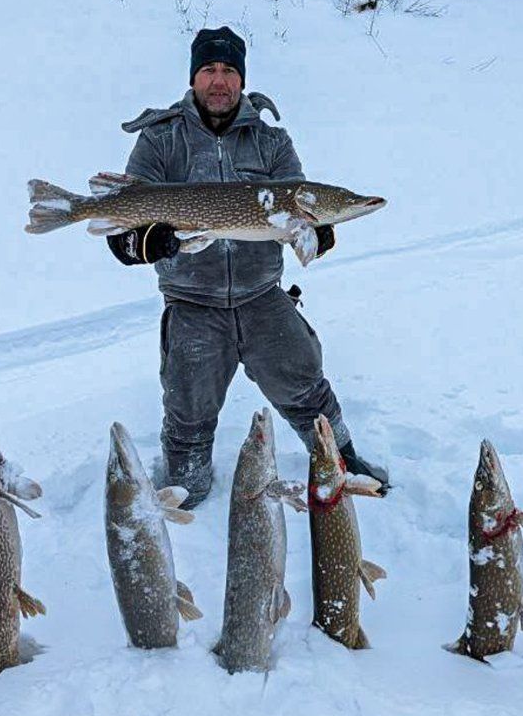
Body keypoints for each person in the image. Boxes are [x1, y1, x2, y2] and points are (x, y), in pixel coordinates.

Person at [107, 26, 388, 509]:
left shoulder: (271, 142)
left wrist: (318, 232)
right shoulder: (161, 140)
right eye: (209, 70)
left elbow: (300, 209)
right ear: (193, 77)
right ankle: (188, 485)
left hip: (263, 298)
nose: (219, 81)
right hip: (193, 304)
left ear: (242, 79)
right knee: (188, 412)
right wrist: (144, 243)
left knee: (307, 386)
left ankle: (341, 459)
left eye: (229, 71)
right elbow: (124, 230)